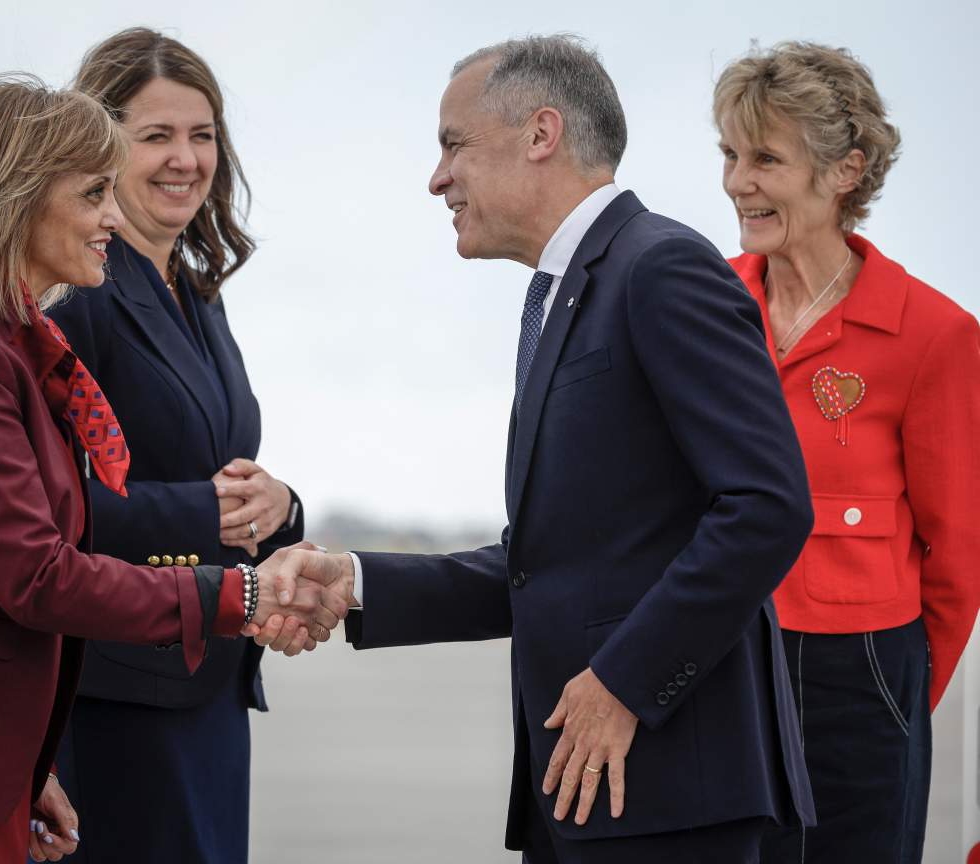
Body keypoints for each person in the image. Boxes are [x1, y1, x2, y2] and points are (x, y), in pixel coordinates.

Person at [255, 34, 815, 863]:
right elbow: (547, 564)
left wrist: (625, 681)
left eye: (452, 145)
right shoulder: (558, 295)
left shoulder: (661, 268)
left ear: (540, 134)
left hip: (673, 790)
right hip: (583, 789)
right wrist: (359, 581)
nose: (437, 178)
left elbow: (768, 508)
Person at [0, 77, 342, 864]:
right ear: (14, 198)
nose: (114, 217)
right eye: (92, 193)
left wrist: (25, 760)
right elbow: (36, 574)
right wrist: (238, 593)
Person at [41, 27, 308, 864]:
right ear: (98, 145)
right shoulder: (74, 295)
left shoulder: (198, 295)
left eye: (202, 136)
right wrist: (212, 513)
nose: (184, 159)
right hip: (116, 697)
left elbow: (217, 471)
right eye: (156, 136)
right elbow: (50, 511)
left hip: (210, 685)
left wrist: (281, 506)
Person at [714, 41, 980, 863]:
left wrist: (893, 700)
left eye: (764, 158)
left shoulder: (935, 336)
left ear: (844, 171)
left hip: (860, 678)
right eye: (728, 154)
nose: (735, 182)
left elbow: (957, 555)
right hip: (715, 661)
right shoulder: (702, 305)